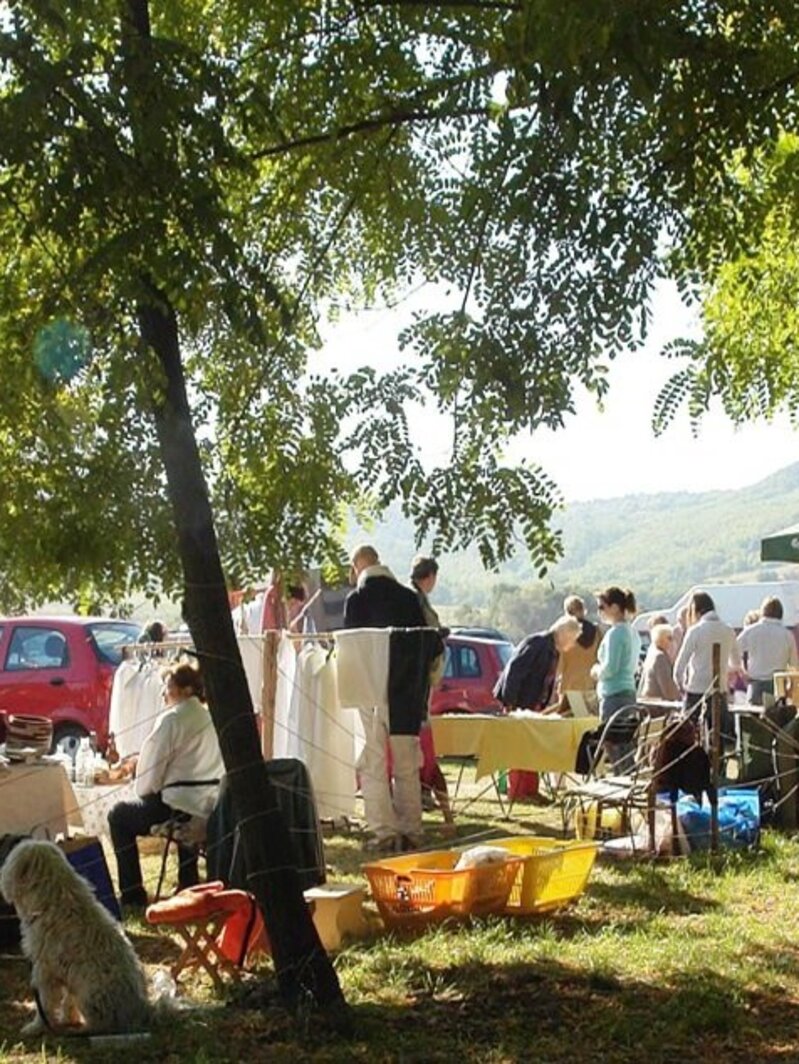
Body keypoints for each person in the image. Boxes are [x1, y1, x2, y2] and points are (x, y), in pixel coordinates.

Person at [108, 662, 224, 908]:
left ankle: (132, 894)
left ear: (186, 690)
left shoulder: (171, 719)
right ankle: (188, 881)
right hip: (210, 807)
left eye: (169, 686)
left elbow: (150, 773)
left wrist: (142, 788)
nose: (164, 692)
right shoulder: (212, 719)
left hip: (177, 809)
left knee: (118, 815)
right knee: (182, 799)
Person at [343, 545, 431, 854]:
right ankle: (412, 829)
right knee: (406, 762)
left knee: (373, 761)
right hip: (406, 691)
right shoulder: (408, 598)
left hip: (370, 689)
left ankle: (383, 831)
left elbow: (351, 650)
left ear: (357, 566)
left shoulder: (357, 599)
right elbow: (426, 644)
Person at [409, 555, 454, 836]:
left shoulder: (417, 599)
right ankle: (436, 809)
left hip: (420, 686)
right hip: (418, 686)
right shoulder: (415, 600)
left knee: (424, 754)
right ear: (430, 576)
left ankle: (430, 802)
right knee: (425, 754)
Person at [673, 591, 741, 736]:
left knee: (689, 738)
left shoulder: (695, 631)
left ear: (695, 610)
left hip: (696, 692)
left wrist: (682, 686)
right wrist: (723, 669)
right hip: (719, 692)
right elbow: (736, 663)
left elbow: (679, 667)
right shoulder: (728, 630)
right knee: (720, 739)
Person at [737, 596, 798, 704]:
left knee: (753, 714)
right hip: (778, 686)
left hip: (755, 686)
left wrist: (743, 671)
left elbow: (733, 651)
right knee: (777, 714)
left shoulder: (750, 632)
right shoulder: (787, 635)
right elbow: (794, 665)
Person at [592, 587, 641, 720]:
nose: (599, 612)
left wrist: (596, 671)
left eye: (601, 607)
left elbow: (610, 668)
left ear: (614, 607)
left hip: (613, 696)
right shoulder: (633, 632)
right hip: (629, 694)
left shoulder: (615, 633)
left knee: (611, 733)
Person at [556, 595, 601, 710]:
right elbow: (600, 656)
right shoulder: (596, 631)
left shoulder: (565, 632)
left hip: (569, 685)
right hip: (590, 685)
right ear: (583, 610)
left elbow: (559, 663)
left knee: (566, 718)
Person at [638, 623, 680, 702]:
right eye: (669, 638)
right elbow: (667, 687)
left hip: (648, 699)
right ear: (660, 639)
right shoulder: (660, 657)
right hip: (656, 702)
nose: (672, 641)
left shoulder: (653, 653)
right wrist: (679, 699)